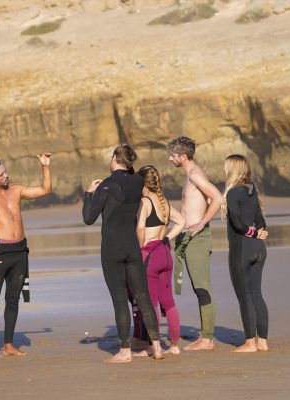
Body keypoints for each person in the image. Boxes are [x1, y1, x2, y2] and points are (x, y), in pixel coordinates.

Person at [83, 144, 163, 363]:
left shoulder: (107, 186)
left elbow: (88, 218)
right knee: (143, 296)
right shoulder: (138, 181)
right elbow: (129, 177)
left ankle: (125, 351)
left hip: (112, 247)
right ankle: (157, 347)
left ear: (115, 158)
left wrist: (89, 193)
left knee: (120, 299)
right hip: (132, 246)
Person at [0, 153, 53, 358]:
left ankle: (8, 345)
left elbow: (45, 189)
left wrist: (45, 167)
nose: (6, 176)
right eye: (1, 174)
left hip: (19, 252)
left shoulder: (16, 191)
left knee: (13, 299)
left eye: (5, 171)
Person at [167, 136, 223, 351]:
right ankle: (204, 336)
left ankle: (207, 339)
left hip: (197, 238)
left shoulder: (196, 174)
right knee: (197, 287)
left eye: (172, 155)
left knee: (202, 287)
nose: (170, 158)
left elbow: (217, 198)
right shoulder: (190, 175)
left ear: (183, 156)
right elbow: (207, 201)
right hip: (188, 238)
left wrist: (201, 223)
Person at [130, 165, 186, 356]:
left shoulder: (145, 201)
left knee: (150, 303)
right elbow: (181, 222)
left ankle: (153, 346)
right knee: (168, 302)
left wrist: (140, 246)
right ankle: (175, 345)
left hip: (150, 254)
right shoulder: (164, 201)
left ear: (142, 183)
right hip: (164, 253)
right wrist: (168, 238)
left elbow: (140, 227)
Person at [223, 154, 269, 353]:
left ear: (232, 169)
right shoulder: (252, 191)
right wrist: (258, 233)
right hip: (258, 248)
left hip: (241, 249)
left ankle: (250, 342)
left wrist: (250, 232)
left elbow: (237, 222)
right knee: (257, 295)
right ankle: (263, 342)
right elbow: (261, 220)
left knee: (245, 296)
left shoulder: (233, 193)